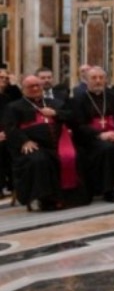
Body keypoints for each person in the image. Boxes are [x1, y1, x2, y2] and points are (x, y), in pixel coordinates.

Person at [4, 75, 79, 211]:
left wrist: (55, 113)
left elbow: (71, 116)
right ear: (23, 89)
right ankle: (42, 198)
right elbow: (10, 128)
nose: (35, 89)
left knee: (78, 155)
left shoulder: (54, 102)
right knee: (39, 160)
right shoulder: (14, 107)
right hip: (33, 146)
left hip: (57, 145)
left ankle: (71, 196)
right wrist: (24, 141)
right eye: (31, 86)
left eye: (37, 85)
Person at [69, 67, 114, 202]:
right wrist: (100, 135)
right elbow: (78, 125)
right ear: (86, 80)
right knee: (108, 149)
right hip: (91, 137)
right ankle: (109, 189)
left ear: (106, 80)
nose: (98, 81)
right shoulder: (78, 100)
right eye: (94, 78)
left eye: (101, 78)